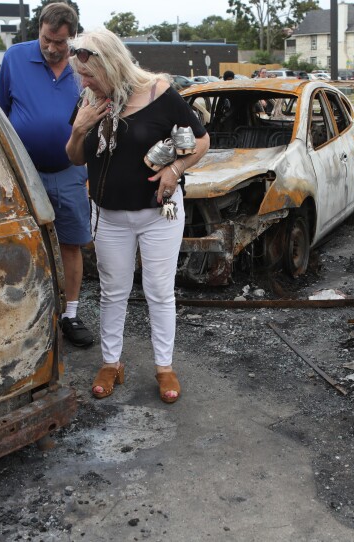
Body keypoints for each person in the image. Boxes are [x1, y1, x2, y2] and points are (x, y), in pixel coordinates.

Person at [65, 29, 210, 403]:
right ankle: (111, 363)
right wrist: (79, 129)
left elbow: (201, 140)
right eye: (81, 75)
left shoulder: (159, 93)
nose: (84, 81)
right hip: (109, 215)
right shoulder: (89, 100)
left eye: (90, 74)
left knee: (159, 292)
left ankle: (164, 368)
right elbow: (76, 157)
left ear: (111, 65)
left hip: (158, 213)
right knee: (113, 292)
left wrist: (174, 171)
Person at [0, 3, 94, 348]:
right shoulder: (15, 58)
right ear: (39, 29)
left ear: (73, 38)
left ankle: (71, 313)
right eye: (47, 40)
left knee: (71, 241)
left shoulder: (86, 64)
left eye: (60, 43)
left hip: (70, 171)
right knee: (24, 242)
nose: (52, 48)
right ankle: (27, 311)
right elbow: (0, 114)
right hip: (26, 171)